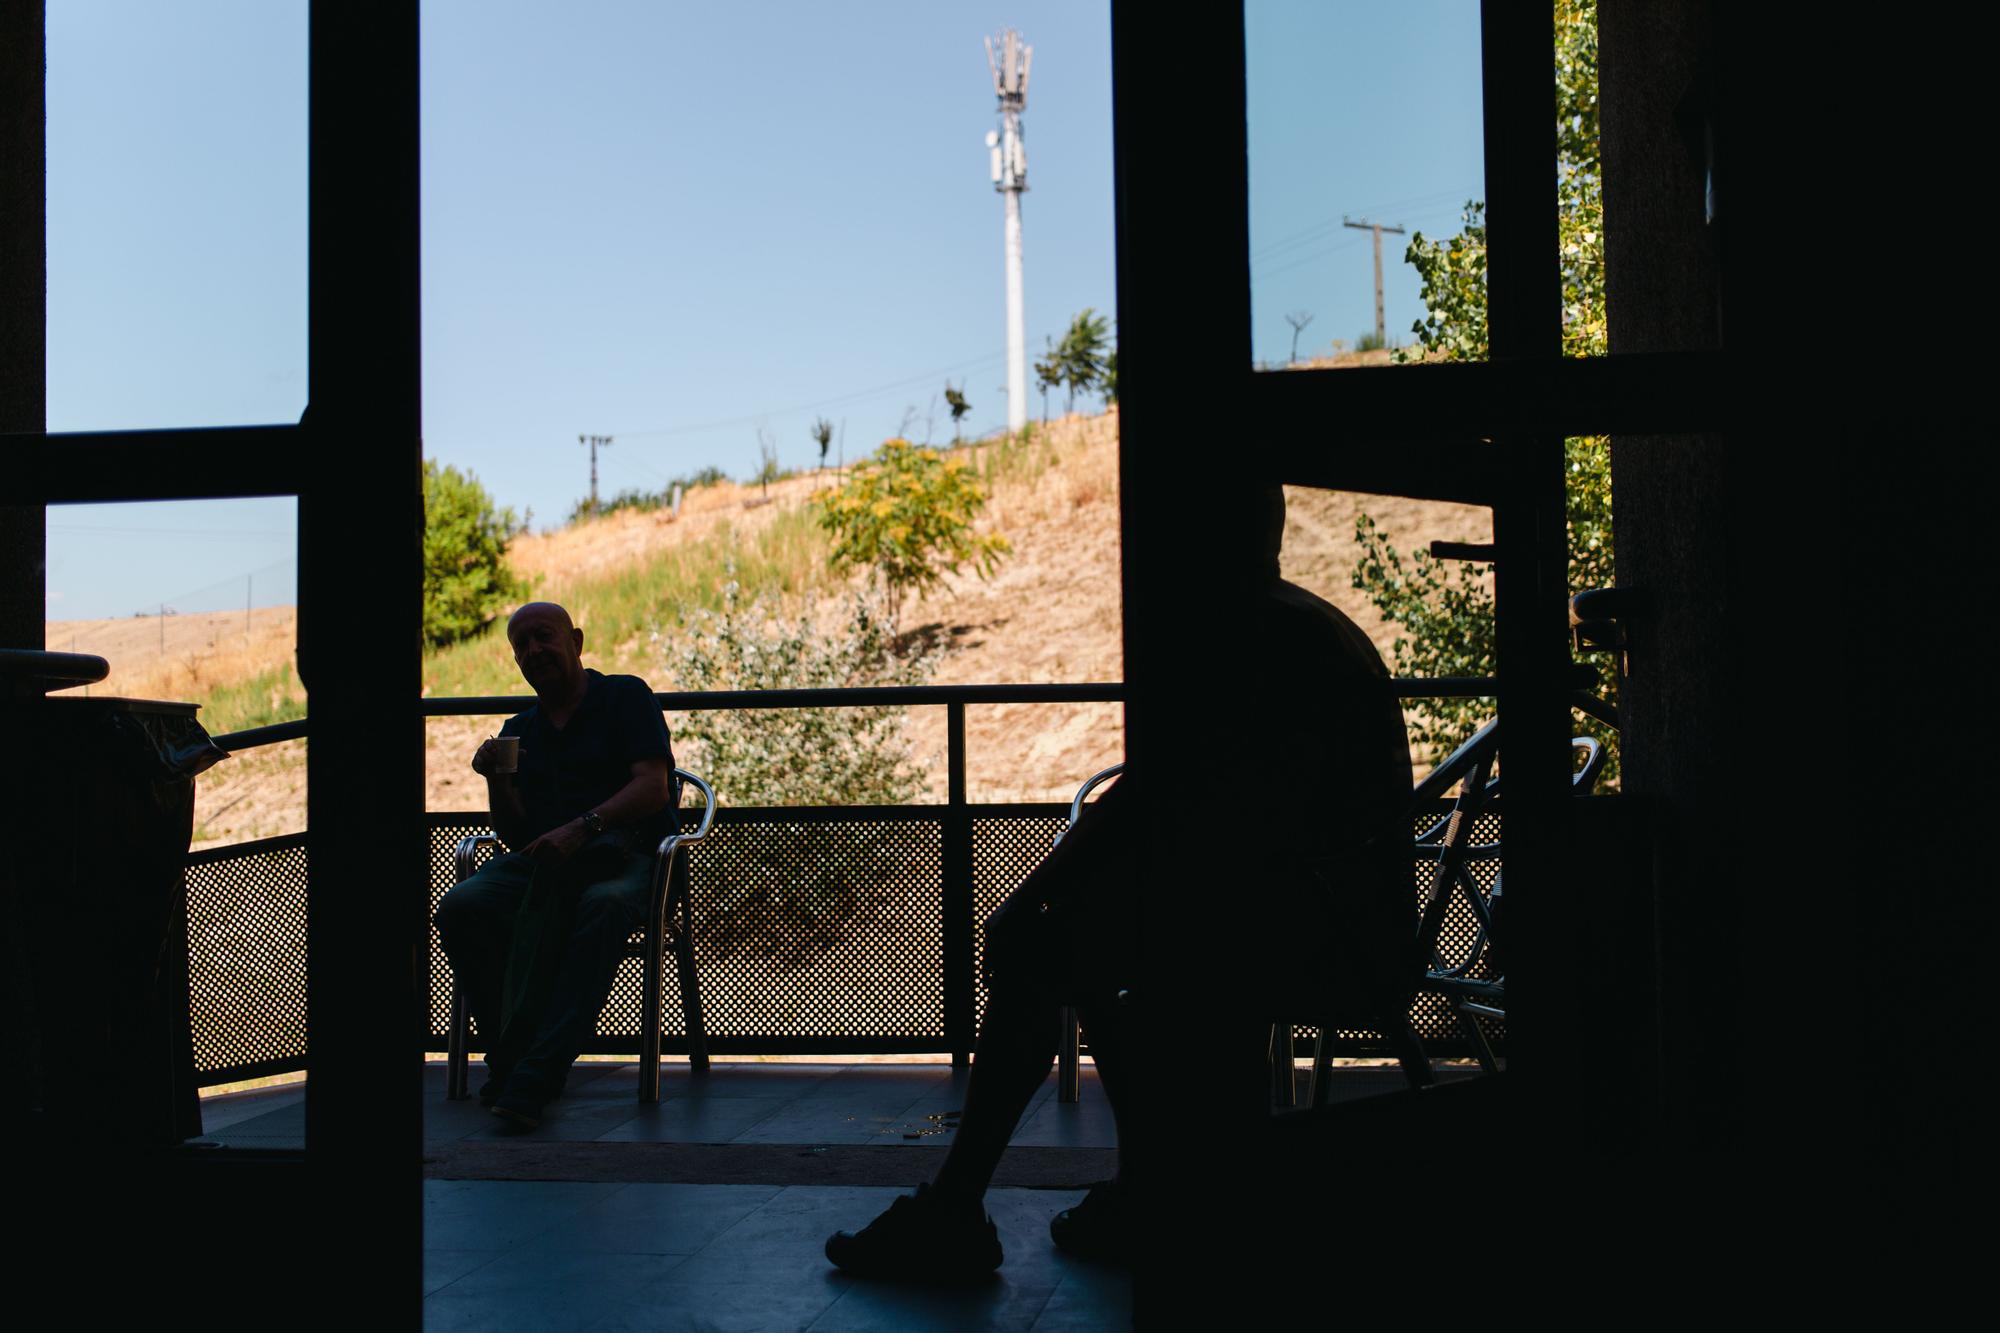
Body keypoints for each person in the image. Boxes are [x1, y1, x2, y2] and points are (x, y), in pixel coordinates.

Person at [824, 484, 1416, 1279]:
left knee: (1046, 950)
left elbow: (1148, 794)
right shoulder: (1311, 625)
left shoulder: (1246, 632)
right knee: (1087, 949)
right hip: (1341, 922)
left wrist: (1023, 895)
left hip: (1302, 933)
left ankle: (965, 1204)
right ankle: (1143, 1185)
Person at [433, 601, 678, 1131]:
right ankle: (510, 1057)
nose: (533, 651)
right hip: (548, 866)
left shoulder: (624, 696)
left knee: (602, 905)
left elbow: (653, 787)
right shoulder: (519, 728)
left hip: (631, 857)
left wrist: (581, 828)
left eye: (544, 637)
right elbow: (517, 835)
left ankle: (537, 1072)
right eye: (521, 646)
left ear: (577, 641)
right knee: (461, 905)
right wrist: (496, 778)